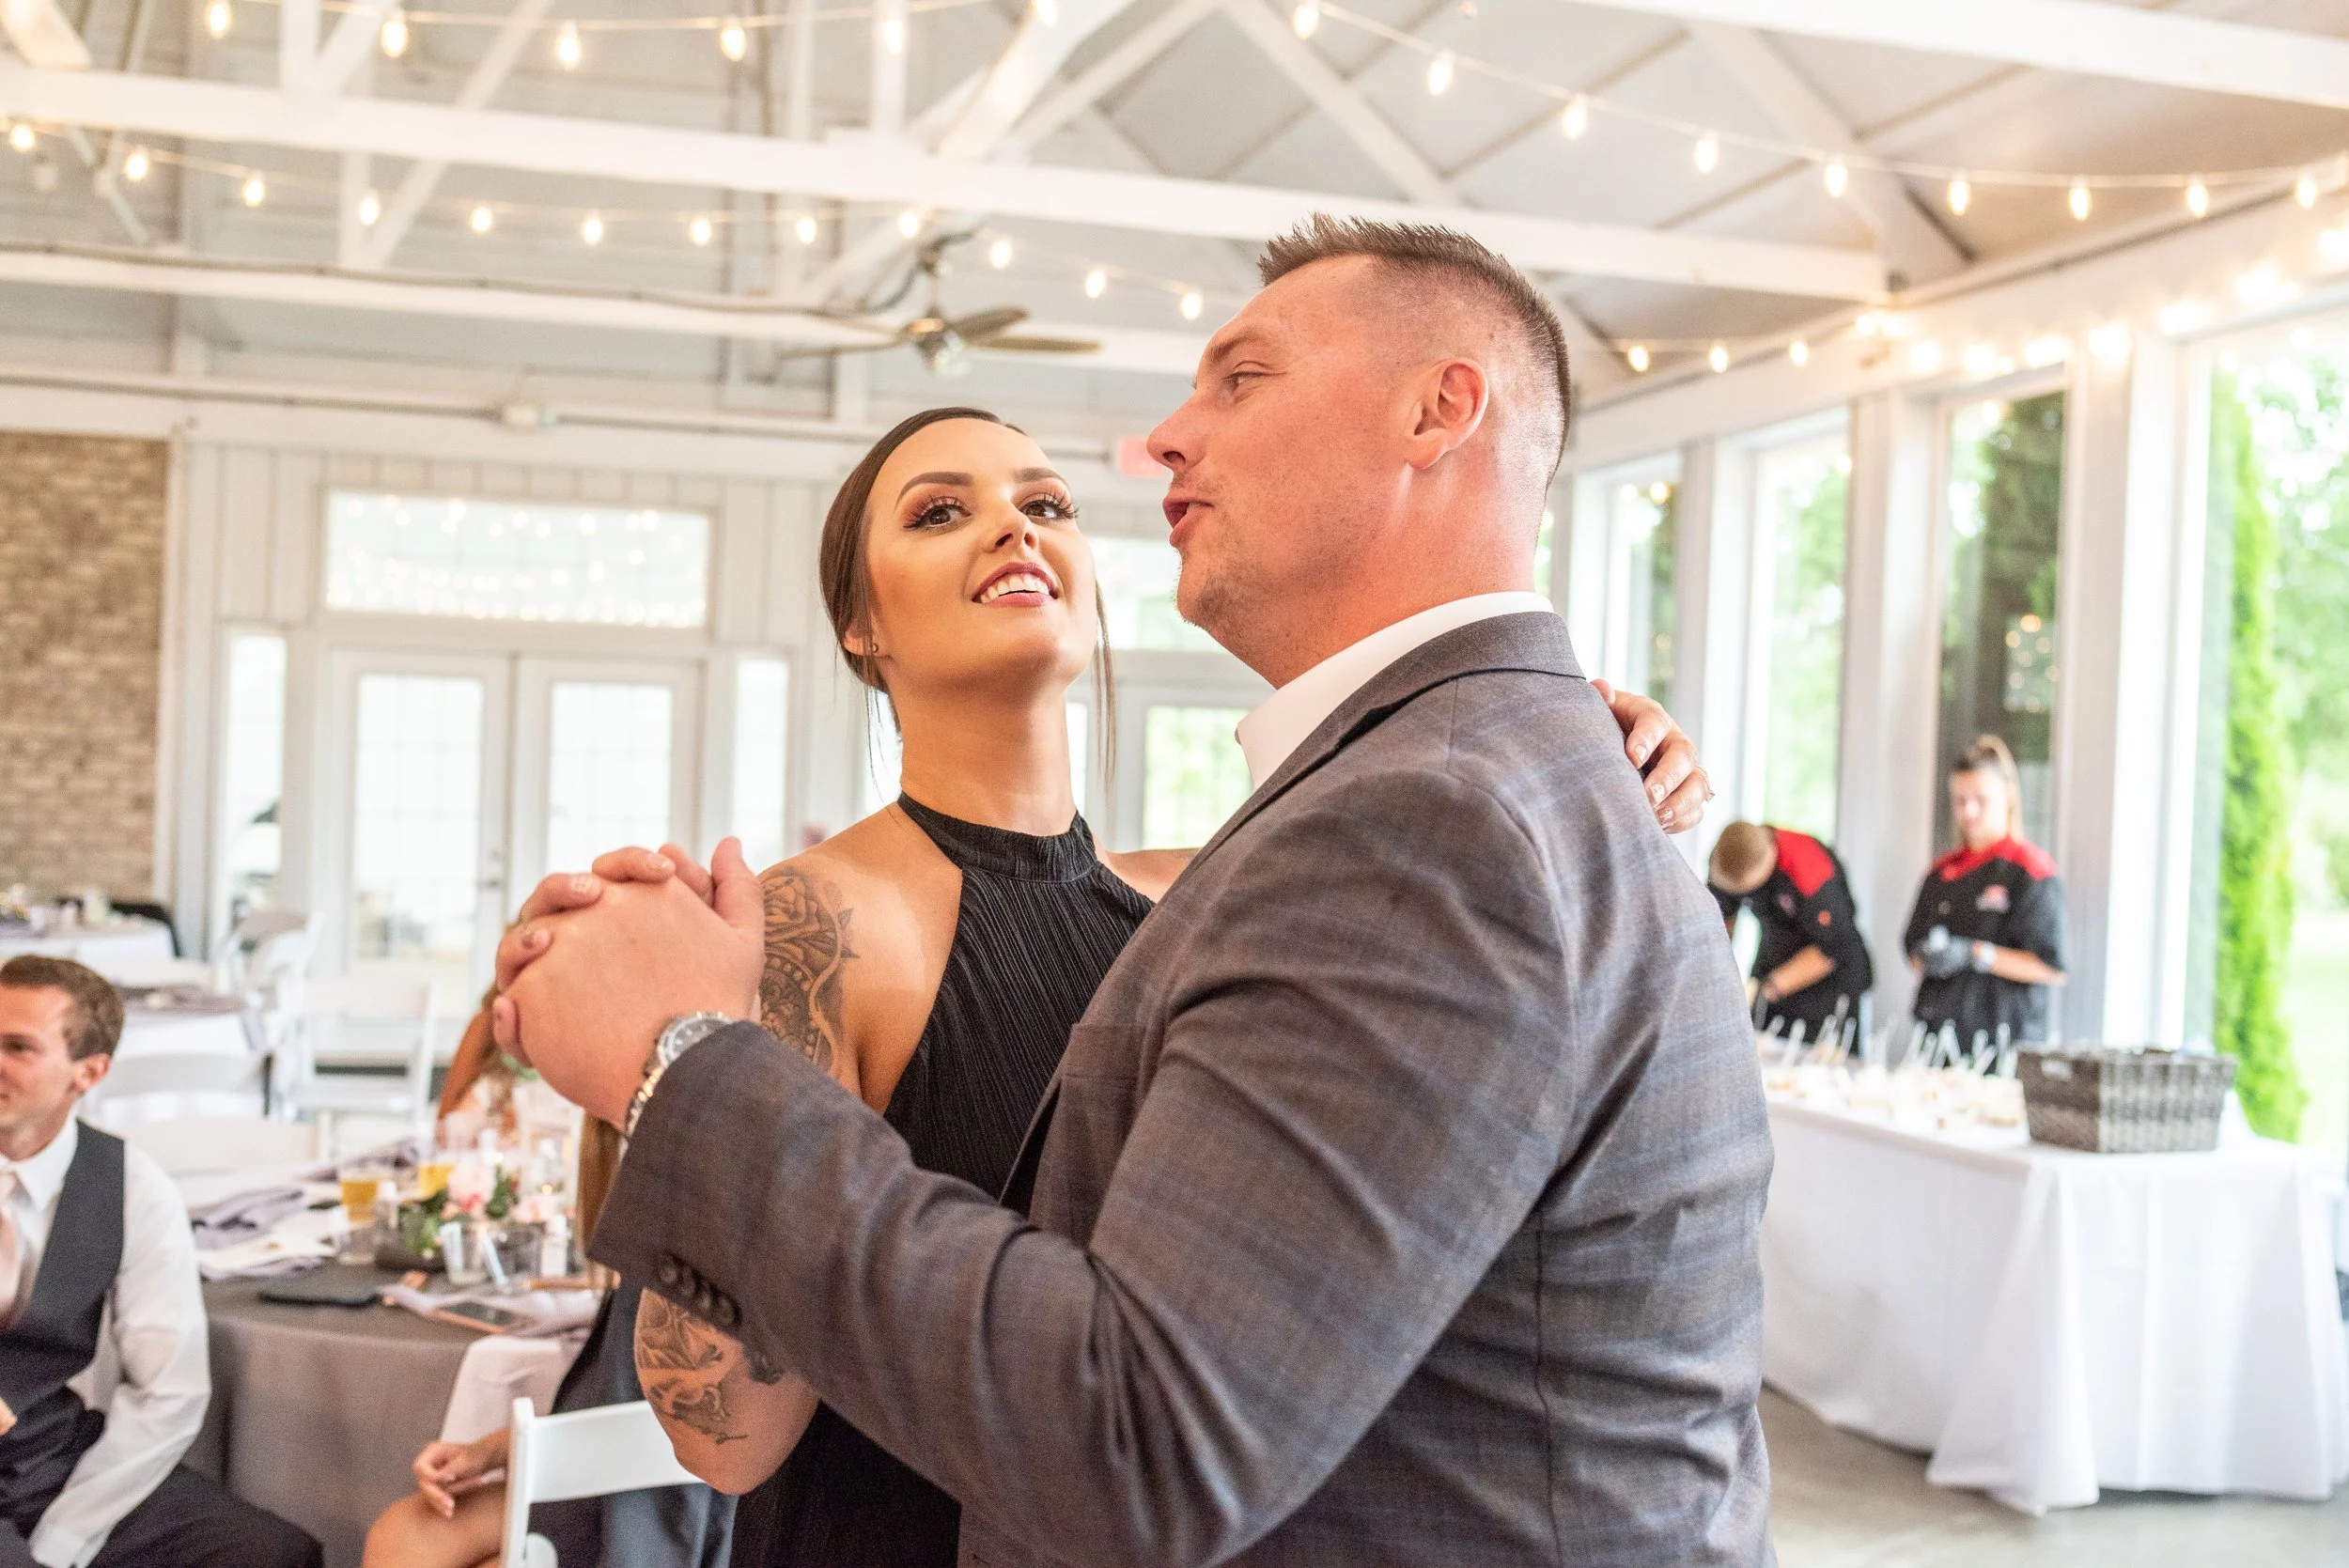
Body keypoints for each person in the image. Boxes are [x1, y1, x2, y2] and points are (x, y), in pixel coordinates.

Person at [499, 215, 1772, 1567]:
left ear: (1437, 411)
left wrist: (681, 1057)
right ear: (858, 626)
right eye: (940, 511)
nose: (1159, 442)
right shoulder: (812, 924)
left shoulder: (1327, 848)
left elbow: (1159, 1420)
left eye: (1047, 504)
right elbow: (723, 1434)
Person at [362, 995, 730, 1568]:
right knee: (404, 1535)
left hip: (660, 1504)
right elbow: (614, 1397)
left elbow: (675, 1426)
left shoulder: (695, 1207)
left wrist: (528, 1452)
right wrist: (492, 1451)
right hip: (605, 1467)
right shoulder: (639, 1177)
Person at [0, 956, 319, 1568]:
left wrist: (66, 1536)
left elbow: (170, 1389)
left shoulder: (130, 1187)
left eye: (18, 1047)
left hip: (45, 1455)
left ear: (89, 1072)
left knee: (270, 1554)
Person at [1904, 735, 2067, 1052]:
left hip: (2003, 1041)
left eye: (1980, 799)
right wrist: (1929, 956)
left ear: (2008, 796)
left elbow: (2051, 967)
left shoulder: (2030, 869)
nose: (1969, 811)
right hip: (1938, 1040)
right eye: (1960, 800)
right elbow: (1912, 950)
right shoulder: (1941, 872)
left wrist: (1976, 954)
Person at [1707, 818, 1874, 1042]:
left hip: (1829, 977)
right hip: (1775, 955)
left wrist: (1767, 990)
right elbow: (1719, 923)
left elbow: (1834, 949)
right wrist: (1717, 985)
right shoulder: (1724, 865)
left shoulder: (1808, 867)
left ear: (1766, 862)